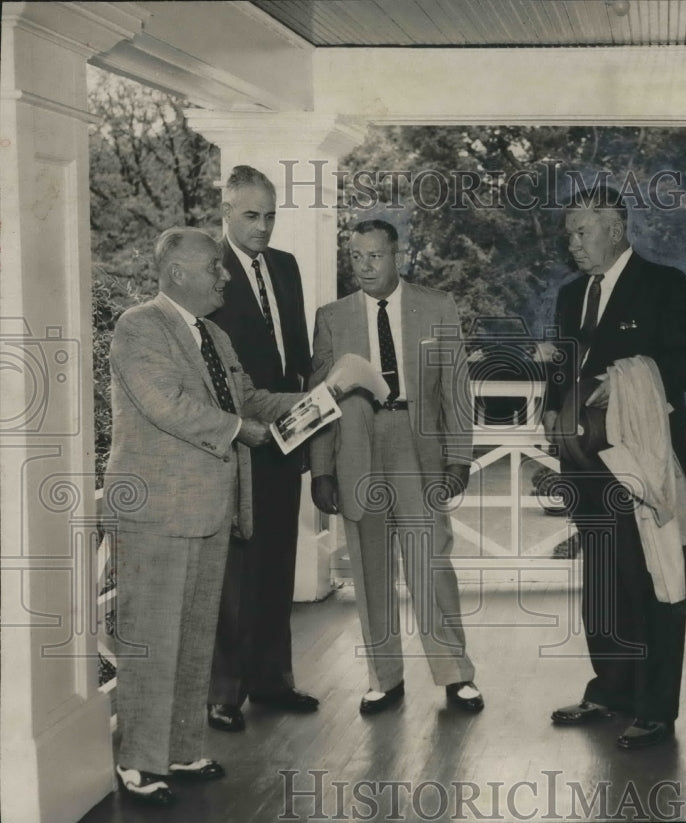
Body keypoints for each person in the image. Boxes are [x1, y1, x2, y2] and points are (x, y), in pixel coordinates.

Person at [105, 228, 332, 806]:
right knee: (152, 638)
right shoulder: (139, 326)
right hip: (155, 508)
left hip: (210, 506)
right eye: (215, 268)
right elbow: (169, 406)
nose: (225, 276)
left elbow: (249, 398)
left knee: (193, 637)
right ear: (178, 271)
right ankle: (138, 762)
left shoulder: (215, 335)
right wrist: (243, 431)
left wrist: (320, 398)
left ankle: (181, 750)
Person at [543, 183, 686, 750]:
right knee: (602, 582)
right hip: (586, 465)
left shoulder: (664, 284)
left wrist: (621, 382)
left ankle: (656, 707)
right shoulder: (571, 295)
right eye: (569, 233)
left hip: (643, 461)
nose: (572, 243)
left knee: (655, 580)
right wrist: (550, 408)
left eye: (581, 231)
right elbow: (563, 364)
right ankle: (610, 689)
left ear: (615, 228)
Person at [309, 219, 483, 715]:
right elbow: (319, 399)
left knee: (430, 561)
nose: (364, 266)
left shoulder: (436, 306)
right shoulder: (331, 317)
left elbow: (455, 390)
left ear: (397, 257)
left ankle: (455, 675)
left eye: (374, 257)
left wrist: (458, 457)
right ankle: (384, 678)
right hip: (357, 445)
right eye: (356, 257)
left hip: (418, 445)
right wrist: (321, 469)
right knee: (370, 566)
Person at [205, 166, 317, 733]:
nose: (263, 227)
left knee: (278, 561)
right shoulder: (208, 269)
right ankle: (225, 692)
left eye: (271, 215)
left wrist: (307, 412)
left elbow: (294, 352)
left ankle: (273, 680)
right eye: (251, 215)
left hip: (286, 434)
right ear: (226, 211)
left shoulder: (286, 267)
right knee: (235, 570)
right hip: (236, 439)